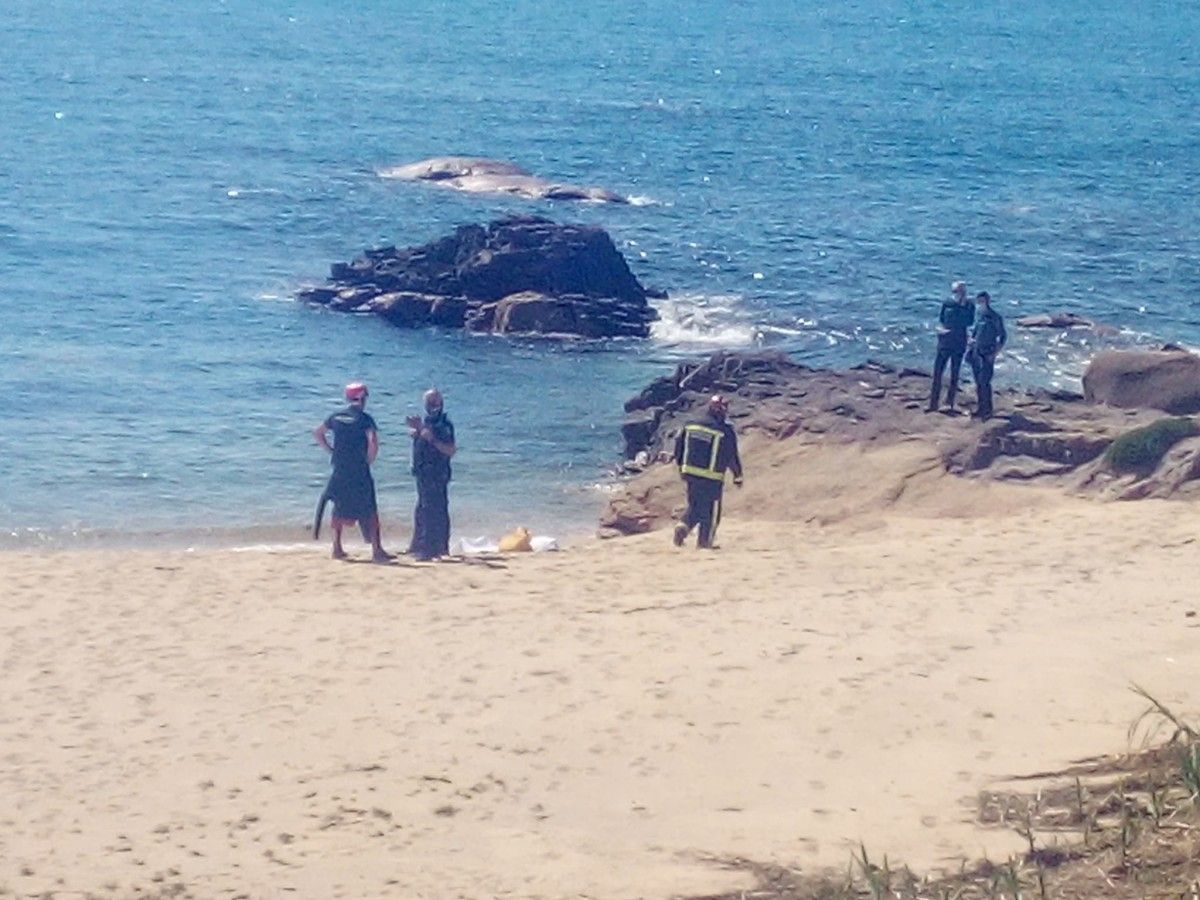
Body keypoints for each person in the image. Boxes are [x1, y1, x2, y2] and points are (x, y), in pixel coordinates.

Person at [313, 382, 391, 562]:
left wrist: (330, 449)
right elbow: (372, 441)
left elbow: (317, 433)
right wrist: (370, 460)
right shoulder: (365, 419)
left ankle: (337, 548)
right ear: (362, 398)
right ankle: (377, 550)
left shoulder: (336, 416)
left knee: (338, 507)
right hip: (359, 470)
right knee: (370, 509)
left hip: (340, 469)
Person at [672, 394, 743, 550]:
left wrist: (680, 466)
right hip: (712, 476)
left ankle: (682, 526)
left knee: (696, 505)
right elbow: (731, 454)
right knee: (711, 511)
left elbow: (679, 446)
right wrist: (737, 475)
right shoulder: (724, 430)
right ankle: (704, 543)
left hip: (690, 472)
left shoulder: (691, 424)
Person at [406, 388, 456, 561]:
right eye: (428, 403)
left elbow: (450, 449)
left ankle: (432, 548)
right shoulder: (429, 422)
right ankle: (418, 544)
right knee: (422, 509)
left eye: (434, 402)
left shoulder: (444, 425)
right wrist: (417, 433)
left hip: (437, 473)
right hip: (423, 472)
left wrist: (430, 437)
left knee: (434, 510)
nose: (431, 406)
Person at [927, 280, 975, 413]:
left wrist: (963, 305)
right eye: (954, 291)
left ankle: (950, 402)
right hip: (945, 341)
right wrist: (942, 330)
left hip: (959, 341)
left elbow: (970, 321)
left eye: (959, 291)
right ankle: (933, 403)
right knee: (938, 372)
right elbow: (942, 319)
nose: (956, 294)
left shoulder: (969, 305)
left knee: (955, 372)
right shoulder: (947, 303)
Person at [967, 291, 1007, 420]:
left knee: (985, 382)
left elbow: (1002, 336)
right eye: (979, 301)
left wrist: (995, 352)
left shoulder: (995, 317)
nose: (980, 303)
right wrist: (970, 341)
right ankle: (980, 408)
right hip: (976, 352)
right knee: (978, 382)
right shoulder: (979, 315)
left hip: (987, 353)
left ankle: (988, 410)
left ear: (988, 301)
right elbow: (975, 331)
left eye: (983, 301)